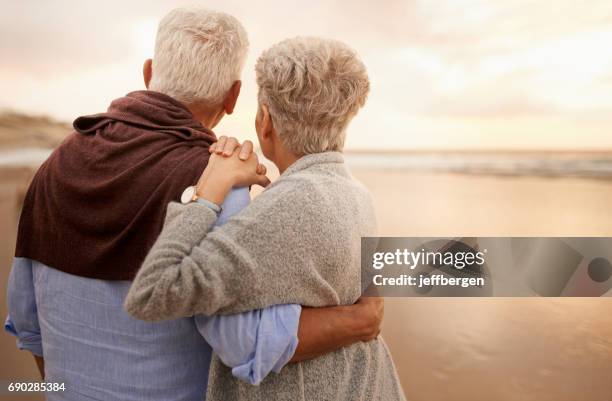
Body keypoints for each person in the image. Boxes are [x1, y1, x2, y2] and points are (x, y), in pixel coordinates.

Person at [5, 8, 384, 401]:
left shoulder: (53, 167)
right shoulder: (216, 183)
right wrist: (357, 320)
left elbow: (27, 322)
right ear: (234, 96)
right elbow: (245, 342)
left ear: (149, 72)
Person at [125, 37, 406, 401]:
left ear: (264, 120)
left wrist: (208, 193)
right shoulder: (359, 196)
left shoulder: (285, 210)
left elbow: (152, 293)